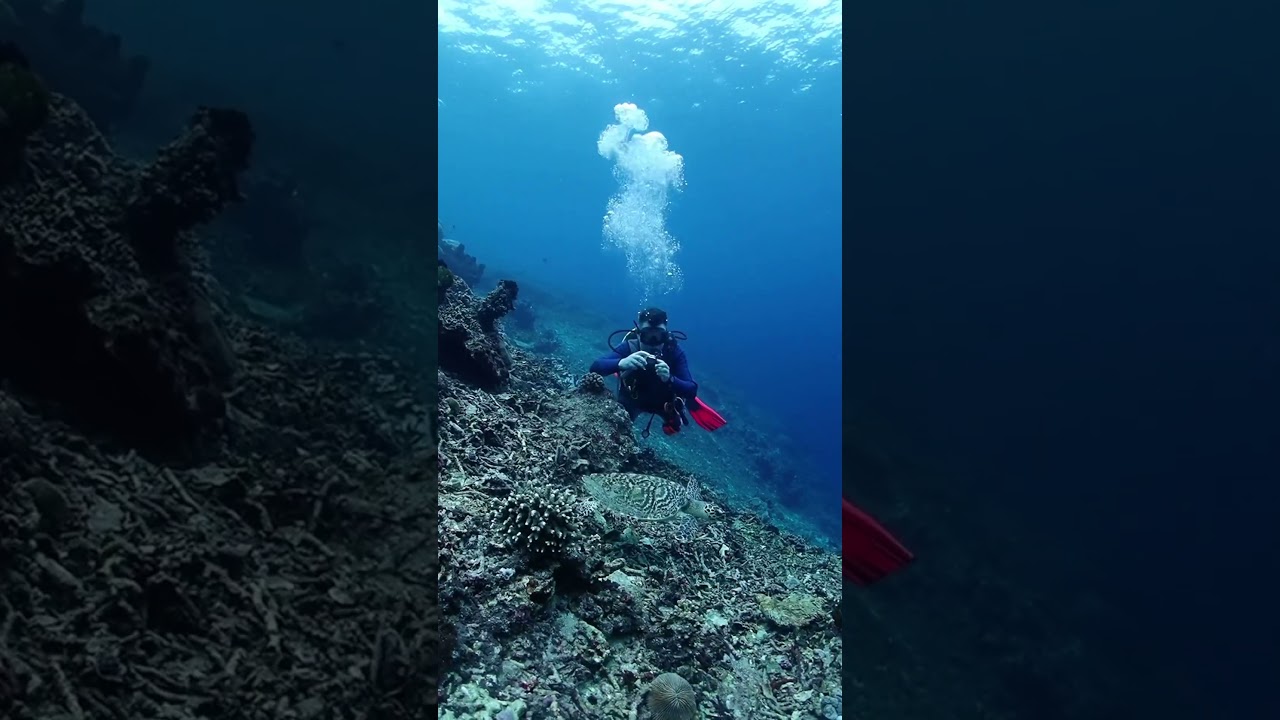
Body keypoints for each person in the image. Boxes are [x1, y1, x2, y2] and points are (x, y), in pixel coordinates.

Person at [589, 307, 727, 437]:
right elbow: (596, 366)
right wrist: (620, 363)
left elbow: (691, 390)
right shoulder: (630, 347)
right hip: (632, 400)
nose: (653, 342)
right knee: (618, 430)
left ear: (666, 336)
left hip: (663, 404)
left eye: (659, 336)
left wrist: (670, 379)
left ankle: (673, 417)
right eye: (648, 335)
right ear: (638, 334)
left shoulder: (673, 352)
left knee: (674, 427)